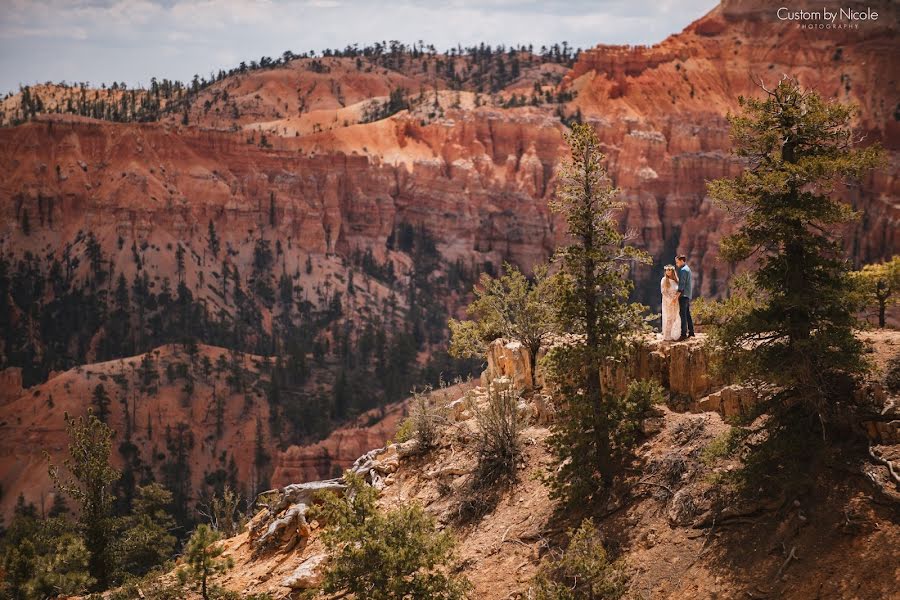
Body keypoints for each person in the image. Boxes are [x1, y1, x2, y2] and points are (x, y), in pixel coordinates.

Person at [660, 265, 681, 341]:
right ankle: (667, 336)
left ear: (672, 271)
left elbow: (679, 290)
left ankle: (674, 334)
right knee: (669, 317)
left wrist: (676, 298)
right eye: (666, 270)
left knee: (675, 317)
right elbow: (663, 292)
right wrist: (670, 300)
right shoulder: (664, 280)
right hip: (668, 302)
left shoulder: (676, 280)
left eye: (669, 270)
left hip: (676, 301)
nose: (668, 272)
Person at [675, 255, 694, 340]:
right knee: (687, 314)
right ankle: (691, 332)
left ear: (682, 260)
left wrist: (677, 295)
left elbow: (681, 285)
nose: (676, 264)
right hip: (688, 294)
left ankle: (683, 334)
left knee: (682, 314)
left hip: (683, 295)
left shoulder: (683, 270)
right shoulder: (688, 269)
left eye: (677, 262)